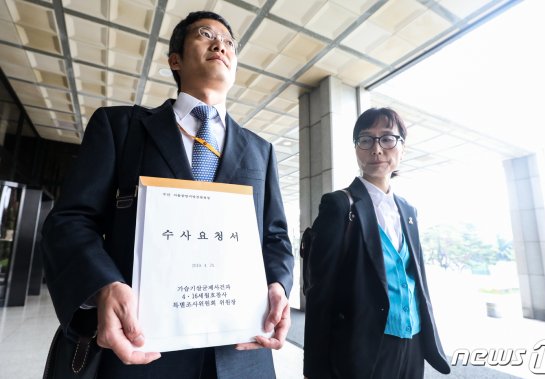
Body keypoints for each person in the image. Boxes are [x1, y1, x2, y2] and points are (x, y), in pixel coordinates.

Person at [42, 10, 294, 379]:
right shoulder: (121, 129)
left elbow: (274, 238)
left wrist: (278, 285)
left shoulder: (261, 150)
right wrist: (102, 286)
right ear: (175, 59)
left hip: (240, 355)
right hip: (141, 351)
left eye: (229, 42)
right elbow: (70, 221)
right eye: (206, 34)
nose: (220, 44)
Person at [303, 107, 451, 378]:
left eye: (387, 138)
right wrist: (315, 368)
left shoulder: (408, 211)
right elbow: (319, 293)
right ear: (357, 148)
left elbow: (417, 280)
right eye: (366, 139)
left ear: (402, 148)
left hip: (413, 340)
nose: (376, 149)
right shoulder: (339, 205)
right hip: (365, 346)